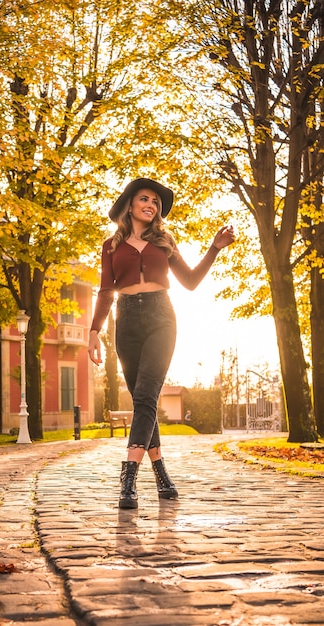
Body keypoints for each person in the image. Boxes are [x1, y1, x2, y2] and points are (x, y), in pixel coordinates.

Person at [88, 178, 235, 509]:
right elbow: (105, 292)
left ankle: (128, 478)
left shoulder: (164, 242)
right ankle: (162, 475)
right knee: (146, 401)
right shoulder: (111, 245)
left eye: (155, 201)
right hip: (125, 324)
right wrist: (94, 330)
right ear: (129, 205)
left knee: (144, 395)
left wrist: (214, 248)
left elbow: (191, 282)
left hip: (161, 318)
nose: (151, 204)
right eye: (144, 198)